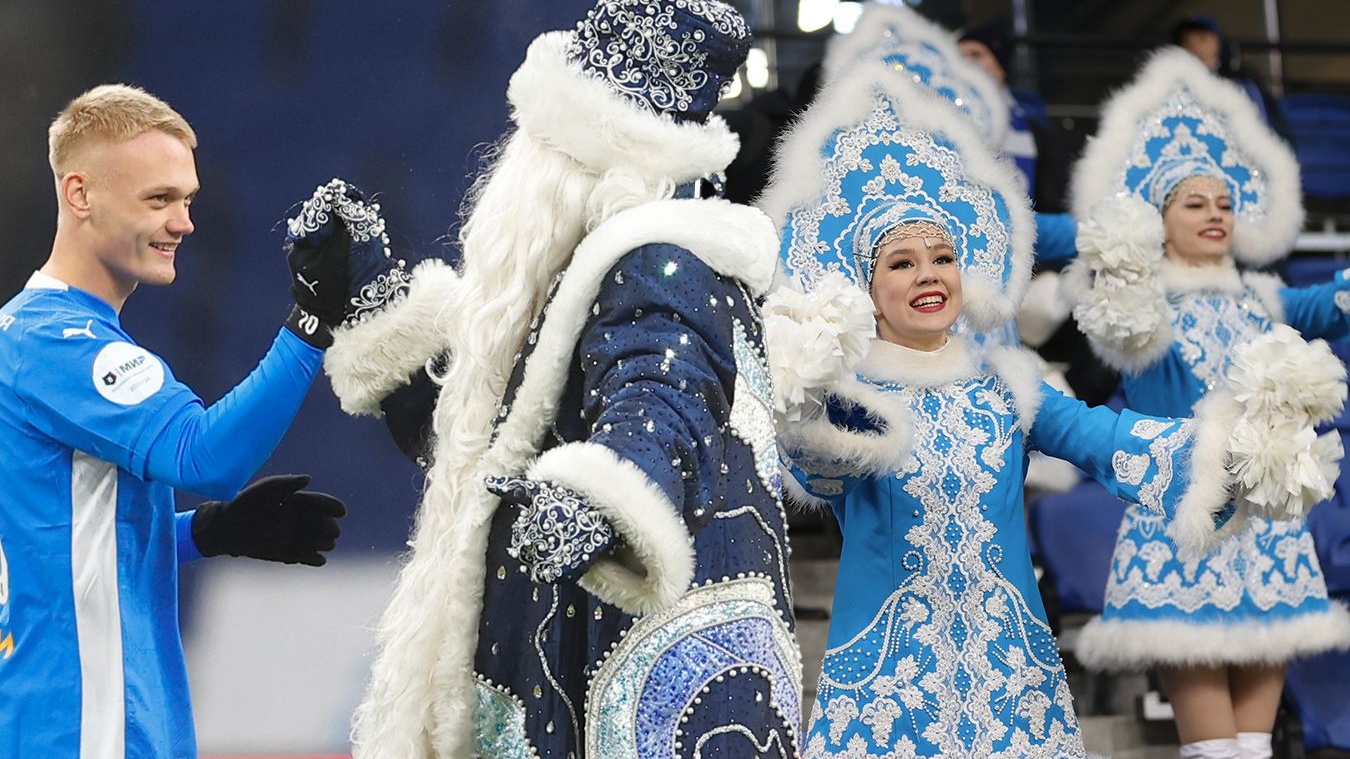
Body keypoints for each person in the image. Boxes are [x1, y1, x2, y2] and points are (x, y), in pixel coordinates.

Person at [754, 53, 1342, 759]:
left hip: (1011, 675)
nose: (929, 275)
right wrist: (805, 383)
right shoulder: (851, 395)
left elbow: (1111, 440)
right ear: (865, 284)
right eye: (901, 263)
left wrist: (1233, 450)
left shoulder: (1009, 383)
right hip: (890, 680)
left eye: (942, 256)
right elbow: (817, 466)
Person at [316, 2, 801, 757]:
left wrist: (602, 494)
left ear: (587, 155)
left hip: (642, 692)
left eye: (541, 138)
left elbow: (664, 400)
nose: (520, 159)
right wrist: (373, 300)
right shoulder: (584, 281)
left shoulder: (657, 262)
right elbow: (488, 451)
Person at [0, 84, 372, 757]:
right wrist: (309, 324)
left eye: (188, 199)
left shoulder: (27, 339)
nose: (184, 222)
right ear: (80, 195)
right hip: (89, 730)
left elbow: (55, 545)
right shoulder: (55, 344)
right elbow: (206, 458)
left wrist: (206, 531)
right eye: (159, 199)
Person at [1065, 47, 1350, 759]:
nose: (1215, 214)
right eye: (1195, 203)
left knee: (1253, 749)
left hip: (1269, 529)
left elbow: (1332, 302)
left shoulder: (1264, 295)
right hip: (1184, 524)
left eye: (1224, 202)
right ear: (1158, 217)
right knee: (1214, 752)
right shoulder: (1143, 304)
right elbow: (1108, 308)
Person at [1171, 14, 1293, 145]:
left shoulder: (1243, 85)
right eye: (1187, 42)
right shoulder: (1171, 88)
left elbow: (1268, 132)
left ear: (1218, 42)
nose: (1195, 48)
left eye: (1202, 39)